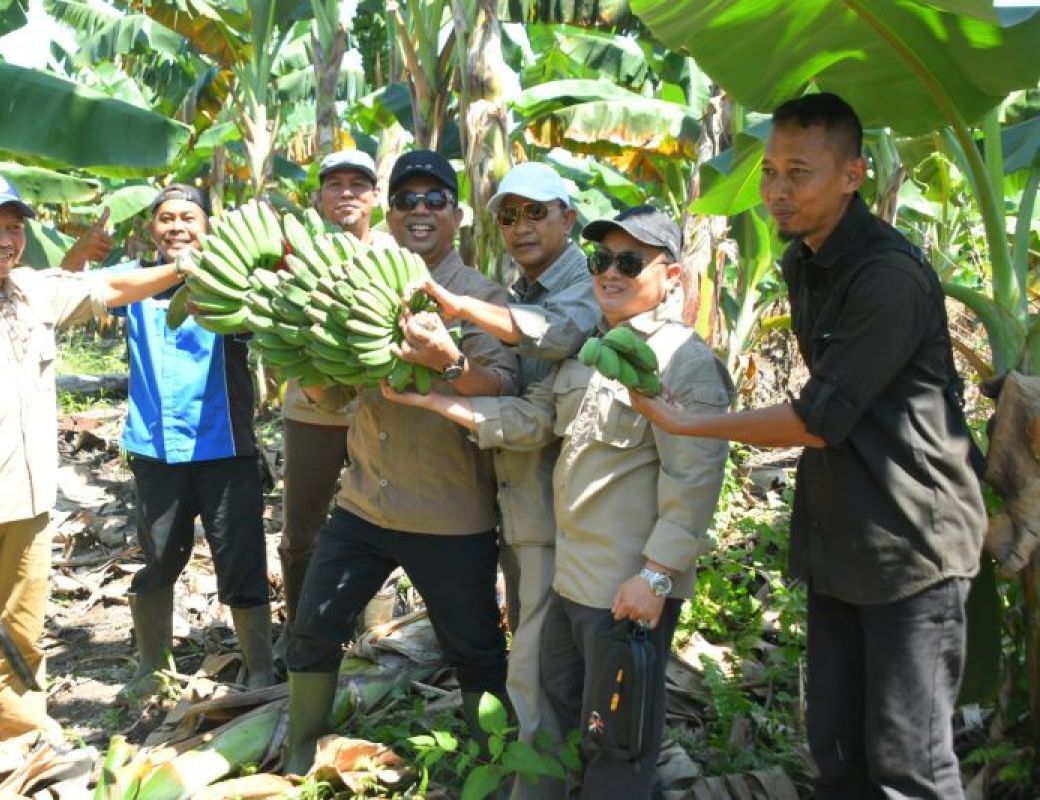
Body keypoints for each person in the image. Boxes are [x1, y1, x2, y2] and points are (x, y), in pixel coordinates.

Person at [628, 93, 986, 798]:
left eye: (799, 173)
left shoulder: (887, 276)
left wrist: (687, 423)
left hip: (913, 545)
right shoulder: (805, 260)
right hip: (841, 539)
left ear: (853, 174)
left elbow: (819, 418)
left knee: (910, 765)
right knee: (838, 754)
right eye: (768, 172)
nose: (776, 191)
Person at [384, 205, 732, 796]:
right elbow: (532, 420)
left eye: (630, 261)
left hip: (625, 592)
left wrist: (656, 577)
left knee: (617, 745)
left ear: (672, 276)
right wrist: (433, 401)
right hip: (573, 583)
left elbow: (694, 480)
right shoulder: (590, 351)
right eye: (601, 260)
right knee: (565, 721)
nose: (611, 273)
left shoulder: (683, 362)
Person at [0, 171, 186, 771]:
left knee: (21, 631)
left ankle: (17, 733)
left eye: (13, 227)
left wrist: (182, 270)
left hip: (30, 501)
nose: (4, 238)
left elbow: (111, 285)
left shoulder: (31, 291)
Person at [282, 150, 520, 774]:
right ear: (388, 214)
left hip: (448, 513)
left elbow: (502, 385)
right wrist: (299, 356)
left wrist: (446, 361)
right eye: (406, 200)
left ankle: (490, 762)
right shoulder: (355, 284)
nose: (420, 211)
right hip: (364, 502)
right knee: (313, 627)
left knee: (474, 649)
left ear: (458, 215)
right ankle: (303, 751)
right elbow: (332, 393)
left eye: (434, 199)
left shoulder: (480, 297)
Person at [410, 162, 599, 798]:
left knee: (536, 665)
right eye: (509, 215)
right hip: (527, 505)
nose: (521, 226)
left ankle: (536, 787)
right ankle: (555, 772)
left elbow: (545, 384)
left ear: (568, 218)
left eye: (536, 212)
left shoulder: (586, 286)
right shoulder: (521, 292)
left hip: (560, 509)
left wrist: (459, 322)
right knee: (542, 654)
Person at [112, 184, 274, 702]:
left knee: (240, 557)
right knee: (159, 556)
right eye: (165, 218)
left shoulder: (234, 283)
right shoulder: (135, 286)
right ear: (151, 230)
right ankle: (152, 665)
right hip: (156, 448)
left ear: (207, 225)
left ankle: (260, 666)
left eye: (188, 217)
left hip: (225, 446)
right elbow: (78, 286)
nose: (176, 226)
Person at [278, 150, 394, 634]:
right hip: (312, 407)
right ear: (320, 196)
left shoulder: (393, 254)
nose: (346, 192)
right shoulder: (291, 252)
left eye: (358, 185)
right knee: (302, 524)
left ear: (374, 197)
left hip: (382, 412)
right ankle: (301, 628)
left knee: (382, 521)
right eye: (335, 184)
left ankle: (374, 633)